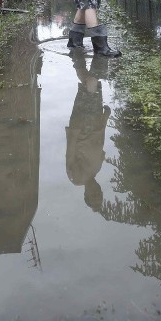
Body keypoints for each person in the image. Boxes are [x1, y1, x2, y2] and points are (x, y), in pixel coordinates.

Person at [65, 53, 110, 211]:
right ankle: (78, 56)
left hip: (81, 125)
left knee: (91, 83)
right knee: (91, 84)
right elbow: (100, 141)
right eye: (100, 194)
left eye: (94, 196)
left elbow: (69, 155)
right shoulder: (97, 169)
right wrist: (105, 118)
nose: (97, 192)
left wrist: (73, 131)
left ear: (87, 195)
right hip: (96, 118)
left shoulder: (77, 179)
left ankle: (82, 55)